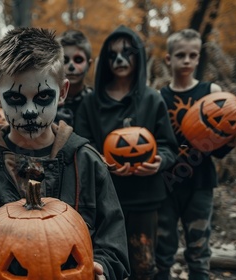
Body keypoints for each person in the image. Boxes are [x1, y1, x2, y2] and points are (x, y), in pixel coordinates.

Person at [0, 27, 130, 280]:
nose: (30, 111)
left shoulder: (86, 161)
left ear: (62, 92)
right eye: (16, 99)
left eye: (42, 97)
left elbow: (113, 242)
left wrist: (104, 268)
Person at [74, 25, 178, 280]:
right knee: (106, 265)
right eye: (112, 55)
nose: (119, 59)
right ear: (105, 61)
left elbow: (169, 146)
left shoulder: (153, 100)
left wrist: (159, 161)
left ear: (138, 57)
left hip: (145, 199)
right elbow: (82, 147)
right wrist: (101, 162)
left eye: (127, 53)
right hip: (105, 200)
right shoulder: (90, 103)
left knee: (143, 265)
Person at [155, 29, 236, 280]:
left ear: (198, 58)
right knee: (163, 246)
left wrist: (231, 144)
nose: (187, 60)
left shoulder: (212, 92)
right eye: (180, 55)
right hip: (167, 182)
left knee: (199, 247)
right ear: (168, 59)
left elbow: (219, 146)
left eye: (193, 55)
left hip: (201, 181)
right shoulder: (160, 97)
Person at [55, 29, 93, 127]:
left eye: (78, 60)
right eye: (65, 60)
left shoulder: (96, 101)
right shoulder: (47, 100)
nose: (71, 66)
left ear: (89, 65)